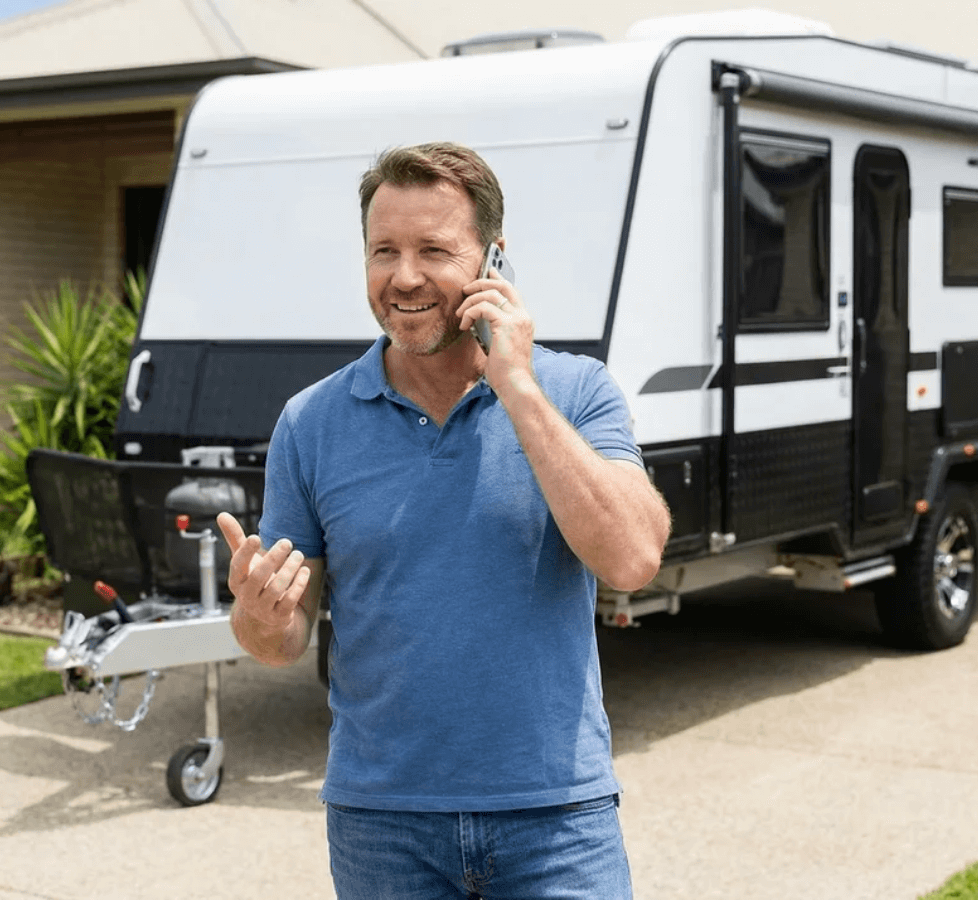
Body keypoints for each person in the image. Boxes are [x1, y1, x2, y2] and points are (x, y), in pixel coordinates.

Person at [216, 141, 670, 899]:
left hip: (557, 819)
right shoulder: (311, 422)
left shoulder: (576, 390)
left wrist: (516, 385)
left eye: (433, 250)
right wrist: (257, 615)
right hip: (383, 826)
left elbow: (633, 560)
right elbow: (281, 640)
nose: (404, 277)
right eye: (383, 251)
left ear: (494, 258)